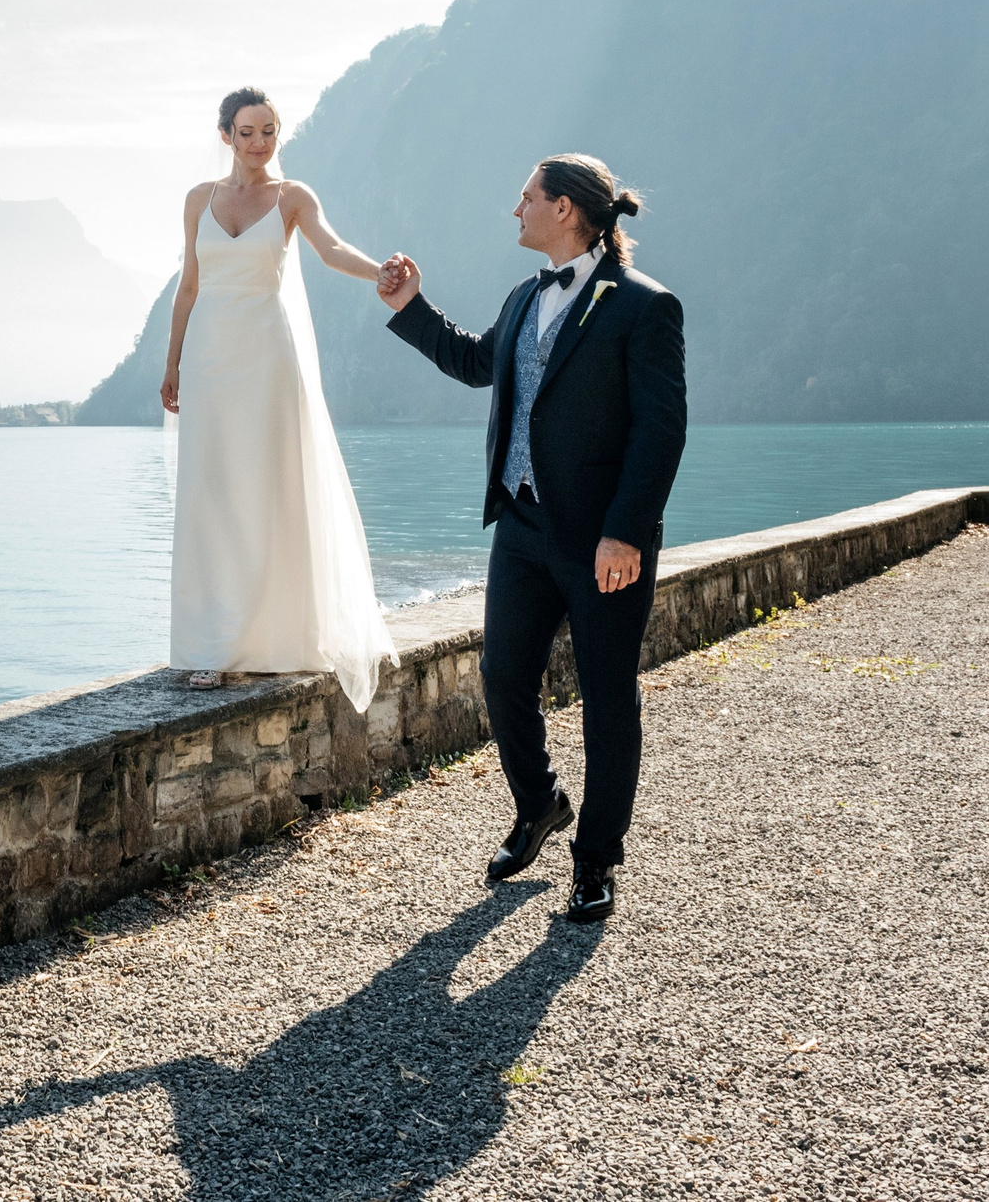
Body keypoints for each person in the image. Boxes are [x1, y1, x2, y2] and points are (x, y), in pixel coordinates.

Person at [375, 155, 686, 923]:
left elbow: (660, 431)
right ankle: (540, 803)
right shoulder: (524, 296)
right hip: (520, 526)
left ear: (566, 209)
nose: (515, 209)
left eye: (526, 197)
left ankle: (596, 859)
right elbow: (476, 360)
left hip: (602, 542)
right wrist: (411, 304)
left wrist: (625, 533)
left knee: (607, 697)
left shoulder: (644, 305)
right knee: (502, 675)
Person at [162, 88, 394, 712]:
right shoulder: (198, 200)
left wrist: (380, 272)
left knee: (269, 486)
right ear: (225, 135)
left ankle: (272, 636)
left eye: (268, 131)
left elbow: (332, 249)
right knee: (212, 492)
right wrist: (172, 363)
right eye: (247, 132)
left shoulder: (293, 197)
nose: (259, 143)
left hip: (268, 356)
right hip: (209, 360)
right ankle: (210, 646)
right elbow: (189, 286)